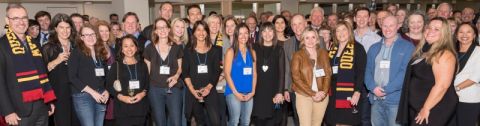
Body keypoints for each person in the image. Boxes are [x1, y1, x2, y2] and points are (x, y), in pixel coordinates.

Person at [0, 4, 56, 126]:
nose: (21, 22)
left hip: (41, 107)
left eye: (24, 18)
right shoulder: (2, 45)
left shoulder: (35, 44)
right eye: (16, 18)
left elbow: (43, 75)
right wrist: (7, 111)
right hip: (17, 111)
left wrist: (48, 101)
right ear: (7, 20)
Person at [397, 17, 458, 126]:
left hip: (434, 108)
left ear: (445, 34)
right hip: (418, 106)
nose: (430, 31)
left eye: (436, 29)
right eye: (429, 27)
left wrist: (426, 108)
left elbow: (442, 86)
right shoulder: (425, 50)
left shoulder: (444, 53)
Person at [364, 16, 415, 126]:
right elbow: (367, 70)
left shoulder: (408, 47)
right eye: (385, 26)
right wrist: (373, 87)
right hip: (376, 99)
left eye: (391, 25)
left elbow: (405, 73)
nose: (388, 29)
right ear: (381, 26)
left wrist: (385, 90)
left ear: (398, 26)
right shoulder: (374, 47)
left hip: (395, 101)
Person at [325, 21, 367, 126]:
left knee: (346, 121)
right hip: (333, 92)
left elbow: (361, 72)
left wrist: (357, 92)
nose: (341, 33)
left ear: (349, 31)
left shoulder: (358, 48)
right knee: (332, 121)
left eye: (344, 29)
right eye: (337, 30)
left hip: (349, 92)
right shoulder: (333, 48)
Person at [144, 18, 183, 126]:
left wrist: (175, 77)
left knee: (176, 122)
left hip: (173, 88)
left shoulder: (176, 47)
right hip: (155, 89)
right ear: (155, 31)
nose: (162, 30)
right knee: (160, 122)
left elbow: (180, 68)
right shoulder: (149, 48)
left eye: (164, 27)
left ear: (169, 29)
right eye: (159, 28)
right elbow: (147, 71)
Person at [41, 13, 79, 126]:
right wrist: (57, 60)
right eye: (61, 27)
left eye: (68, 27)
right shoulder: (48, 47)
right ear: (55, 29)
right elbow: (42, 72)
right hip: (58, 94)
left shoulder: (76, 46)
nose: (65, 31)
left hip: (77, 92)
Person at [68, 24, 109, 126]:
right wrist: (92, 93)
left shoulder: (100, 52)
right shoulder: (76, 52)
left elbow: (104, 76)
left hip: (100, 94)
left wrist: (106, 90)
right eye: (86, 35)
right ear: (81, 38)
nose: (90, 37)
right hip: (83, 96)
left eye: (92, 34)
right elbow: (72, 77)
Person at [182, 21, 222, 126]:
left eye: (204, 29)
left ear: (207, 32)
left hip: (210, 89)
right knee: (200, 121)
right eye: (198, 30)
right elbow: (185, 72)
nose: (201, 32)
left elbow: (216, 71)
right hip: (193, 90)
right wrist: (192, 90)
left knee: (216, 121)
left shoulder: (215, 50)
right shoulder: (188, 50)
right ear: (194, 32)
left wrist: (208, 88)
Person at [291, 27, 332, 126]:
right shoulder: (297, 55)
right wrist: (313, 93)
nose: (310, 40)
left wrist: (324, 92)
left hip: (321, 95)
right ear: (303, 40)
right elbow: (296, 78)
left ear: (317, 39)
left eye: (313, 37)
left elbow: (328, 74)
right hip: (304, 95)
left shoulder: (323, 53)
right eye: (307, 38)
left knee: (316, 124)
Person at [106, 35, 149, 126]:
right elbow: (109, 85)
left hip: (140, 108)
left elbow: (147, 84)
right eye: (126, 46)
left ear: (136, 48)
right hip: (122, 109)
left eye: (132, 45)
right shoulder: (116, 66)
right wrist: (121, 97)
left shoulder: (143, 65)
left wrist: (142, 93)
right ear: (121, 49)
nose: (129, 49)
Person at [251, 22, 286, 126]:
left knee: (272, 121)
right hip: (257, 92)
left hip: (273, 92)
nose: (267, 34)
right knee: (258, 121)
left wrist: (280, 92)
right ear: (260, 33)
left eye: (270, 30)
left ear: (274, 33)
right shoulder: (254, 47)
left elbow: (282, 73)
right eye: (264, 31)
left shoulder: (279, 49)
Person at [224, 23, 257, 126]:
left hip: (249, 92)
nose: (243, 36)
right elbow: (227, 73)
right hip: (233, 92)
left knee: (246, 121)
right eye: (240, 34)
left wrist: (252, 91)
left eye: (246, 33)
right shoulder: (231, 51)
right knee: (234, 121)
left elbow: (254, 74)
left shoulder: (252, 52)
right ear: (236, 35)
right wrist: (236, 93)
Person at [283, 14, 310, 126]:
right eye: (294, 24)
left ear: (305, 24)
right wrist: (286, 89)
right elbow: (286, 68)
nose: (297, 27)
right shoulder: (287, 43)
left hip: (313, 89)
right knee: (298, 118)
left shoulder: (318, 40)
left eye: (300, 23)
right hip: (295, 89)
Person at [452, 23, 480, 126]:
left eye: (468, 32)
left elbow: (476, 77)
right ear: (456, 35)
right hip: (449, 98)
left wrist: (455, 89)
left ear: (474, 35)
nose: (464, 35)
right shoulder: (452, 50)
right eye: (461, 32)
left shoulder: (478, 51)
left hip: (469, 99)